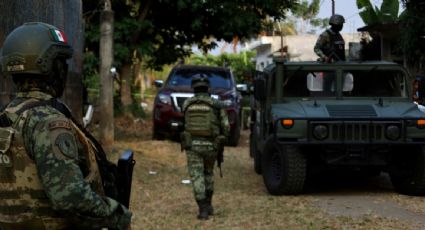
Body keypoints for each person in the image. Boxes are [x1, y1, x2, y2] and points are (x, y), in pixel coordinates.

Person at [0, 22, 131, 229]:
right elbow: (69, 198)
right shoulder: (48, 122)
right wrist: (119, 215)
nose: (65, 69)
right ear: (48, 65)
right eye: (61, 62)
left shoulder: (8, 116)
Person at [180, 74, 229, 220]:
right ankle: (208, 205)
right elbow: (226, 126)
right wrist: (222, 139)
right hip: (211, 145)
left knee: (197, 176)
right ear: (208, 88)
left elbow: (183, 124)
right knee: (208, 173)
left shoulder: (187, 104)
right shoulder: (216, 104)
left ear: (193, 88)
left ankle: (203, 209)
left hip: (192, 145)